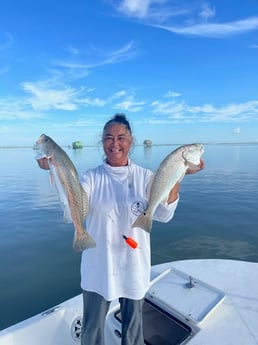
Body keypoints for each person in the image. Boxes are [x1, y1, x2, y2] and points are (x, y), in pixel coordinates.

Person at [37, 113, 204, 345]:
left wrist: (179, 175)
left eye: (121, 138)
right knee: (91, 331)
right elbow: (75, 205)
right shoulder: (91, 177)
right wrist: (55, 169)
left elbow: (164, 214)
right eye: (108, 138)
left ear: (131, 141)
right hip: (98, 266)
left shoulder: (146, 177)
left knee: (133, 333)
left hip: (134, 266)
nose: (115, 144)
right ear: (102, 142)